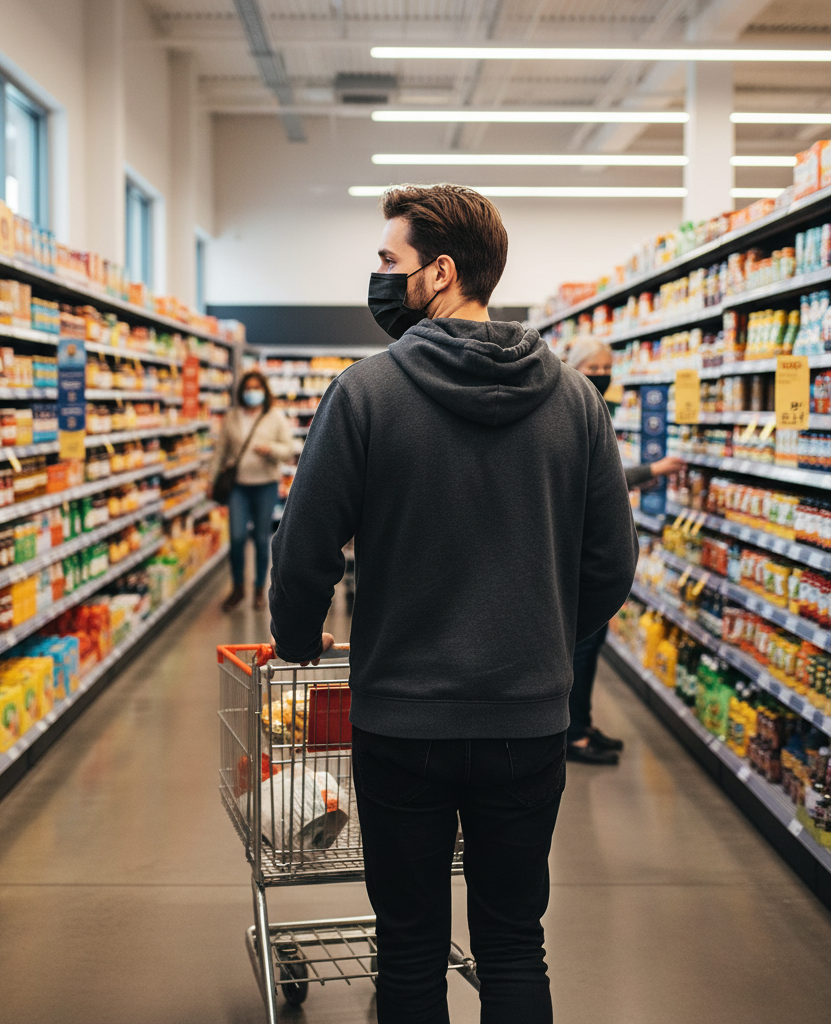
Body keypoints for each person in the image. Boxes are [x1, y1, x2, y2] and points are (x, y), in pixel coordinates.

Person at [269, 184, 638, 1024]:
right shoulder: (577, 400)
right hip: (527, 721)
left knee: (409, 950)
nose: (378, 277)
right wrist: (541, 640)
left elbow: (302, 553)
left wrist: (297, 638)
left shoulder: (365, 394)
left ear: (439, 273)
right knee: (513, 943)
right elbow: (612, 564)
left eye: (388, 261)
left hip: (403, 722)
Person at [565, 338, 684, 765]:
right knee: (582, 647)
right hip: (580, 558)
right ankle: (573, 733)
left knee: (591, 647)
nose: (601, 372)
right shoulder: (571, 408)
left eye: (605, 365)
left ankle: (582, 722)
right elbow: (603, 477)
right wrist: (649, 471)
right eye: (592, 365)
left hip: (591, 556)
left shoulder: (591, 406)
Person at [213, 370, 294, 612]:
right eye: (248, 388)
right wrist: (211, 479)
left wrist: (270, 449)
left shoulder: (275, 416)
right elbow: (220, 452)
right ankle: (238, 587)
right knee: (237, 538)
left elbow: (290, 448)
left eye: (257, 389)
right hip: (238, 486)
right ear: (241, 392)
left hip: (266, 485)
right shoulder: (232, 417)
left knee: (261, 539)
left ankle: (260, 588)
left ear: (264, 391)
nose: (252, 393)